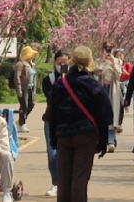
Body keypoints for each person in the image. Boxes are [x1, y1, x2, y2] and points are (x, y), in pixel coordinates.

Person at [48, 46, 113, 202]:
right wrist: (103, 141)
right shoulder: (93, 85)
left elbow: (52, 114)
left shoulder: (60, 84)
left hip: (63, 136)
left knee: (64, 178)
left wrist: (53, 138)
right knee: (79, 179)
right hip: (85, 136)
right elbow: (105, 115)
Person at [42, 50, 69, 197]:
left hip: (69, 120)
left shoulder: (75, 79)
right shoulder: (49, 79)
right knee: (52, 154)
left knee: (66, 153)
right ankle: (56, 183)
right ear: (55, 63)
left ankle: (66, 184)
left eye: (66, 63)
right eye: (60, 64)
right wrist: (60, 82)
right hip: (52, 120)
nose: (63, 66)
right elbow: (51, 97)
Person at [94, 44, 124, 153]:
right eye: (106, 49)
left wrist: (113, 62)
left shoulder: (117, 61)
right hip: (101, 89)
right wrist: (102, 60)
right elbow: (97, 72)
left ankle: (111, 141)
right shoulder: (98, 60)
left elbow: (118, 74)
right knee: (101, 115)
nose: (108, 51)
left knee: (112, 115)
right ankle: (101, 141)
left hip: (113, 90)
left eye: (110, 49)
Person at [14, 46, 38, 132]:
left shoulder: (31, 64)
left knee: (31, 105)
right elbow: (17, 77)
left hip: (31, 88)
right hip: (24, 88)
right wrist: (19, 89)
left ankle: (21, 121)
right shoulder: (20, 64)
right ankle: (21, 124)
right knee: (24, 106)